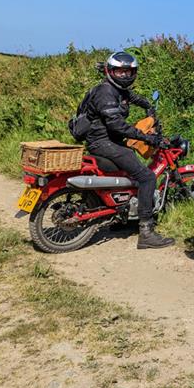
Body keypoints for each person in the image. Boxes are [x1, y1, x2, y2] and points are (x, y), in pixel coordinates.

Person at [75, 51, 174, 249]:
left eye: (128, 72)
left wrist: (148, 106)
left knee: (129, 172)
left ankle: (121, 218)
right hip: (104, 142)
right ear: (110, 71)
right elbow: (117, 126)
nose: (125, 76)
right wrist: (149, 137)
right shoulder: (106, 92)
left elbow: (133, 98)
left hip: (108, 140)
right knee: (147, 177)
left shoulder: (116, 90)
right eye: (120, 72)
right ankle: (146, 232)